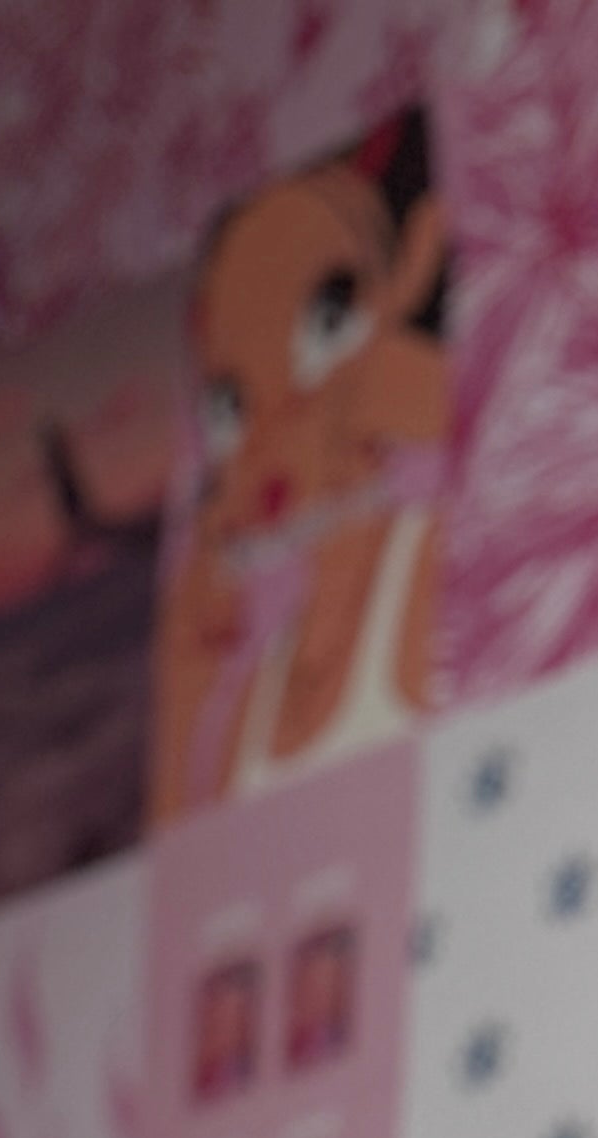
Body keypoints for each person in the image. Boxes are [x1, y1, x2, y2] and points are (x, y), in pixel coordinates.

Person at [152, 111, 446, 818]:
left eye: (327, 323)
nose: (273, 435)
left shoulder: (426, 550)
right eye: (231, 405)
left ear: (411, 269)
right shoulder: (251, 672)